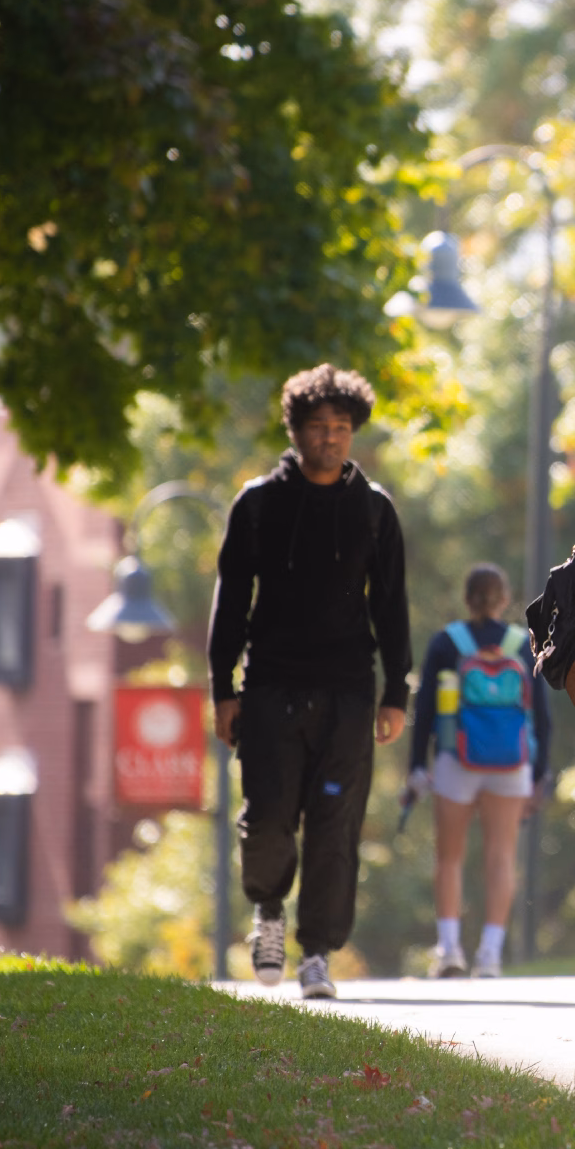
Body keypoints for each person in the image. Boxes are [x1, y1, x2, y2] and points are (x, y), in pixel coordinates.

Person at [210, 364, 412, 1000]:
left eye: (341, 428)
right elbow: (231, 599)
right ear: (294, 431)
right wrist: (222, 687)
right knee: (268, 819)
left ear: (353, 433)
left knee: (335, 825)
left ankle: (317, 951)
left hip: (349, 692)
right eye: (318, 427)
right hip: (270, 689)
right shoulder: (258, 505)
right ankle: (268, 913)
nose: (330, 438)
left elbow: (392, 606)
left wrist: (395, 693)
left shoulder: (374, 511)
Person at [408, 563, 550, 978]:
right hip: (511, 765)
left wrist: (417, 765)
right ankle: (490, 955)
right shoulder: (522, 645)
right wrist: (539, 774)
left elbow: (425, 711)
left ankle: (449, 950)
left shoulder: (447, 643)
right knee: (501, 857)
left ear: (468, 600)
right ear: (504, 600)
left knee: (449, 858)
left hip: (456, 761)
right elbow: (542, 716)